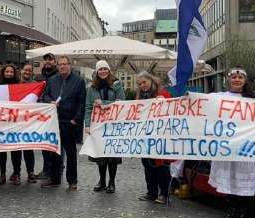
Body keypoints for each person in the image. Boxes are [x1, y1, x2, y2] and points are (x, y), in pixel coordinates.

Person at [210, 67, 255, 218]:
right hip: (228, 146)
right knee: (230, 178)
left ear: (245, 80)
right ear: (229, 80)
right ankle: (231, 209)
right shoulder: (221, 97)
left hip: (246, 146)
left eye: (240, 77)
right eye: (233, 77)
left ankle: (241, 210)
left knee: (244, 178)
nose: (236, 80)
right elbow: (201, 101)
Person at [41, 55, 86, 191]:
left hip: (69, 121)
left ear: (69, 65)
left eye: (64, 64)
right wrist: (50, 101)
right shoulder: (53, 80)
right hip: (54, 120)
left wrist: (75, 119)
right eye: (60, 64)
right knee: (54, 152)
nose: (62, 66)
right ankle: (55, 179)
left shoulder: (79, 81)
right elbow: (45, 95)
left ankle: (72, 180)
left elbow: (81, 102)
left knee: (71, 153)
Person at [84, 60, 125, 193]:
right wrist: (87, 125)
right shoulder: (91, 88)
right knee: (100, 155)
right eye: (100, 69)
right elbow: (88, 107)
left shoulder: (117, 85)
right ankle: (102, 181)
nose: (103, 71)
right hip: (98, 126)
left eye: (105, 69)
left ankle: (111, 182)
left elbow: (122, 104)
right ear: (97, 72)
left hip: (113, 125)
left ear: (108, 71)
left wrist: (104, 103)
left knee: (112, 155)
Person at [134, 71, 174, 204]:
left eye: (144, 82)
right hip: (146, 137)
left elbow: (173, 108)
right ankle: (151, 192)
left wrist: (165, 102)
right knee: (148, 165)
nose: (142, 85)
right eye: (140, 84)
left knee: (162, 166)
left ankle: (164, 193)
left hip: (161, 138)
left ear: (152, 81)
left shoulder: (163, 94)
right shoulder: (140, 97)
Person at [0, 64, 24, 185]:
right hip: (1, 122)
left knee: (16, 149)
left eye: (11, 72)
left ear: (14, 73)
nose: (9, 74)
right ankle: (3, 174)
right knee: (2, 149)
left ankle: (17, 174)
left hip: (16, 122)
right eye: (7, 71)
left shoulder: (20, 87)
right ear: (3, 73)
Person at [34, 53, 59, 179]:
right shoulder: (38, 77)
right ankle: (46, 169)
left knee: (57, 143)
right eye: (46, 60)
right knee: (45, 142)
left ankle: (57, 168)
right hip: (42, 114)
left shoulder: (59, 76)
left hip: (57, 113)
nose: (48, 61)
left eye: (50, 59)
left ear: (54, 61)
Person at [19, 62, 38, 183]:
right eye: (25, 70)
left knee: (28, 147)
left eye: (29, 71)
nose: (27, 72)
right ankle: (16, 172)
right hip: (14, 120)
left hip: (28, 121)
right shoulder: (15, 83)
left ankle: (30, 171)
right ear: (21, 70)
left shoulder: (35, 85)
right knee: (15, 148)